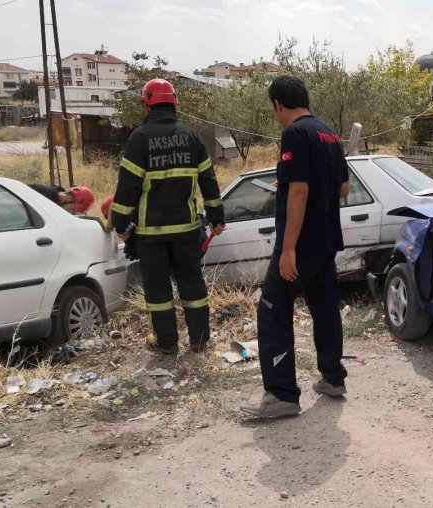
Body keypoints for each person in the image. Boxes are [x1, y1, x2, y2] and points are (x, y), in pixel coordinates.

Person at [241, 76, 349, 419]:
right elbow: (343, 189)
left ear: (278, 105)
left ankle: (282, 395)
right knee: (325, 308)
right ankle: (333, 378)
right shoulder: (329, 133)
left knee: (273, 311)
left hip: (299, 245)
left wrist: (288, 250)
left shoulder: (294, 134)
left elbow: (299, 192)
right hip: (327, 241)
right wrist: (293, 187)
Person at [109, 78, 225, 355]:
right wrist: (217, 217)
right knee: (193, 286)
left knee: (158, 292)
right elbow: (208, 181)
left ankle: (168, 343)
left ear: (146, 104)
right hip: (186, 230)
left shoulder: (139, 139)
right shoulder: (192, 137)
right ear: (175, 104)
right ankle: (199, 341)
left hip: (152, 235)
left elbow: (128, 187)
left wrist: (120, 223)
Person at [28, 184, 94, 214]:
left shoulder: (53, 201)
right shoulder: (42, 194)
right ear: (68, 198)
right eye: (72, 209)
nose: (70, 213)